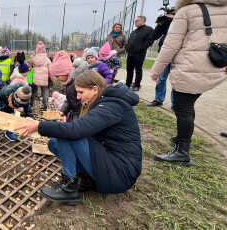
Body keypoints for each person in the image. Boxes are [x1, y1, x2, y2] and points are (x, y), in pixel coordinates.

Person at [150, 0, 227, 166]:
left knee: (182, 107)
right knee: (188, 105)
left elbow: (171, 44)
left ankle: (182, 151)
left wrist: (157, 69)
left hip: (189, 67)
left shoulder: (188, 10)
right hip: (216, 67)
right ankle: (182, 138)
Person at [15, 71, 142, 205]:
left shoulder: (111, 106)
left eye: (81, 92)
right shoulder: (105, 102)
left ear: (95, 89)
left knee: (68, 135)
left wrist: (39, 126)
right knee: (53, 143)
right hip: (112, 165)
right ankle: (87, 180)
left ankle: (69, 186)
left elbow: (75, 131)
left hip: (121, 174)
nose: (78, 97)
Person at [50, 52, 88, 122]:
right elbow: (69, 99)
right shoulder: (68, 83)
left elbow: (84, 102)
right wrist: (63, 110)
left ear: (66, 72)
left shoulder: (77, 82)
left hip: (81, 115)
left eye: (58, 76)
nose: (57, 79)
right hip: (75, 113)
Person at [147, 12, 175, 108]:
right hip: (164, 54)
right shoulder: (166, 23)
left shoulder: (182, 20)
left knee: (176, 80)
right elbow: (154, 36)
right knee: (161, 78)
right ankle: (158, 99)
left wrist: (175, 20)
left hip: (178, 56)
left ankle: (175, 103)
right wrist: (160, 24)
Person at [125, 16, 154, 91]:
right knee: (129, 69)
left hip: (139, 54)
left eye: (137, 20)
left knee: (138, 70)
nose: (135, 22)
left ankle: (137, 85)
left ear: (143, 21)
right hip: (130, 54)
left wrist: (140, 49)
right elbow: (129, 41)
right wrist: (127, 48)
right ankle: (128, 84)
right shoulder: (135, 31)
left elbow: (149, 41)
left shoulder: (148, 29)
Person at [30, 41, 51, 111]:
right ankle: (45, 107)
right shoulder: (47, 59)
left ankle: (31, 105)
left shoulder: (33, 58)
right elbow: (50, 70)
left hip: (35, 78)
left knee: (33, 91)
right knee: (44, 92)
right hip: (44, 78)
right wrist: (53, 78)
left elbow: (31, 65)